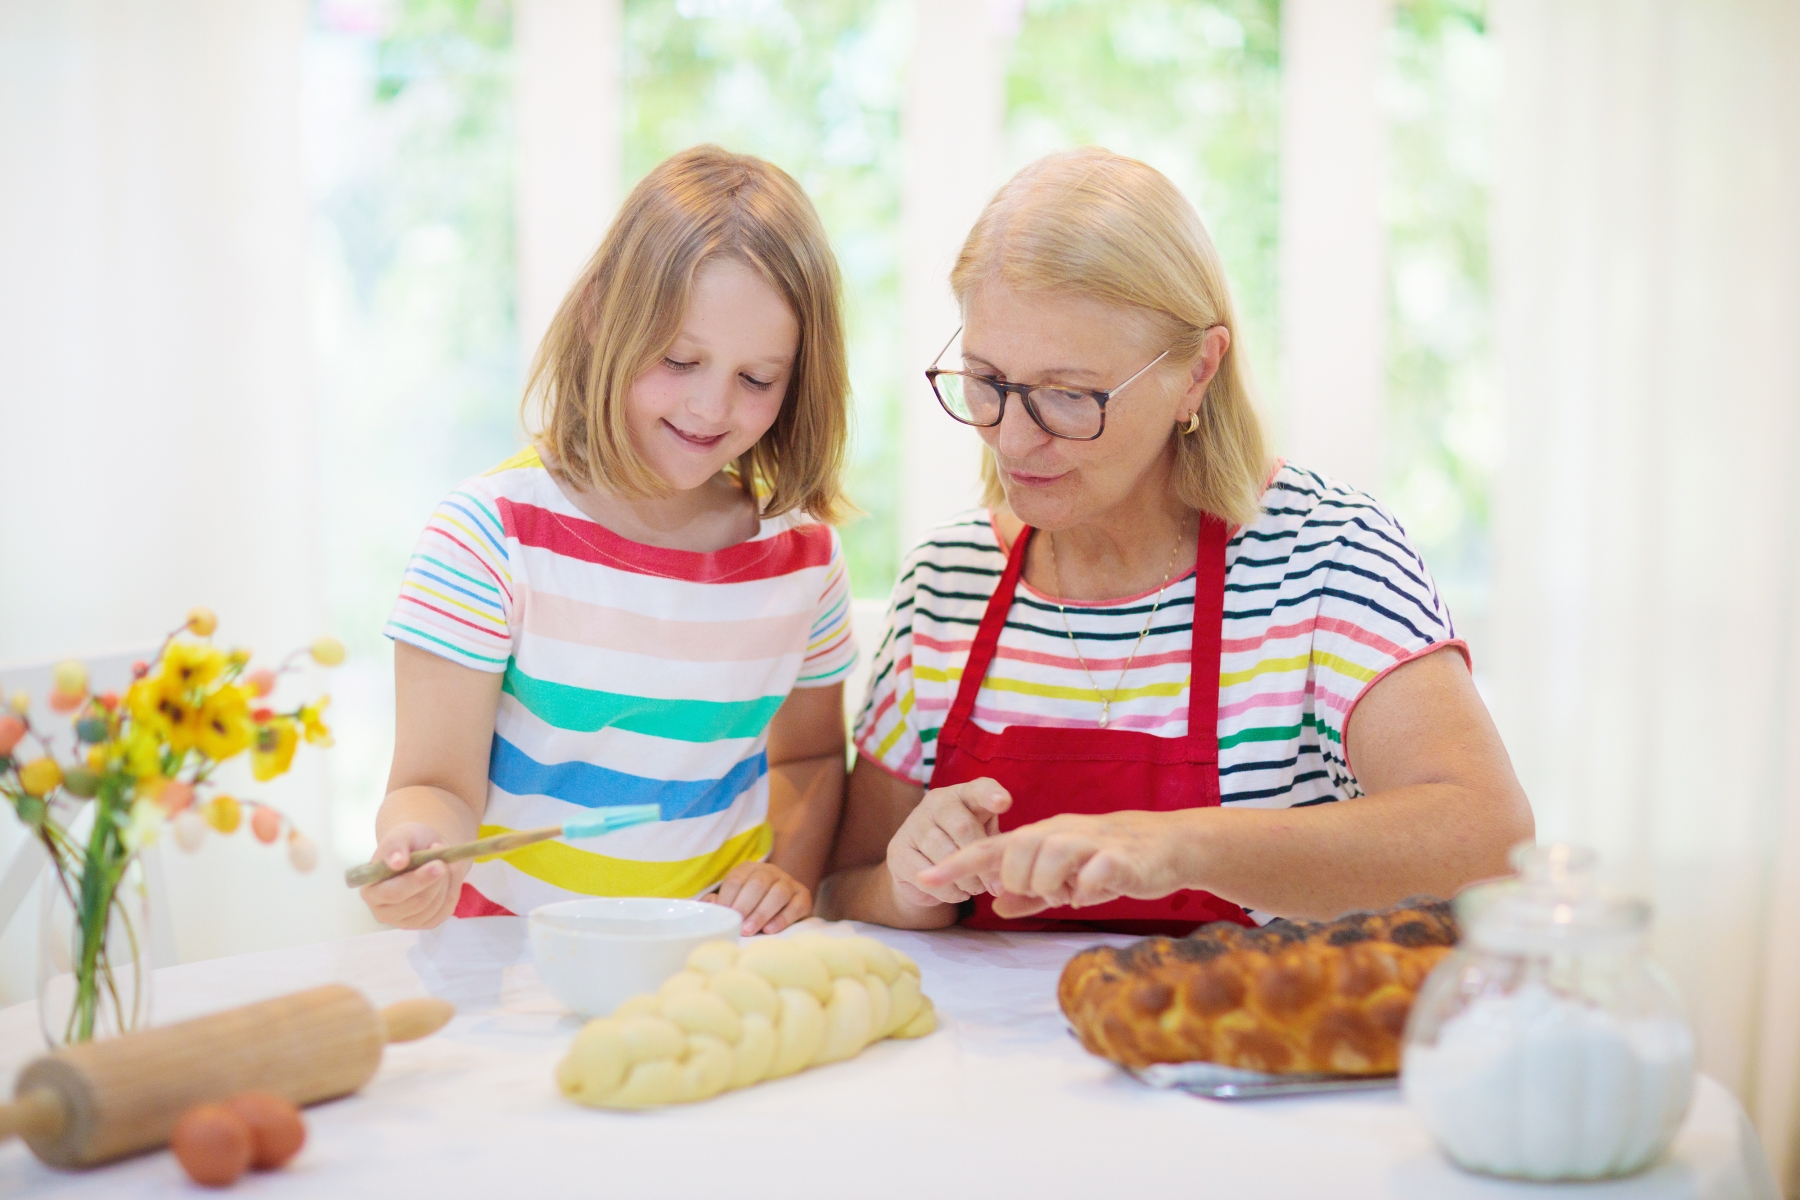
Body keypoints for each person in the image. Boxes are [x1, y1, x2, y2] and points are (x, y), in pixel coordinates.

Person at [820, 147, 1533, 934]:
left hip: (1256, 1051)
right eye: (986, 382)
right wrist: (907, 888)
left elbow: (1489, 842)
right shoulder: (946, 583)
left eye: (1067, 396)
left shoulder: (1328, 557)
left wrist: (1179, 845)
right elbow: (843, 886)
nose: (1013, 441)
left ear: (1197, 370)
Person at [361, 146, 857, 936]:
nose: (710, 406)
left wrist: (787, 872)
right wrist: (418, 844)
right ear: (601, 317)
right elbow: (436, 787)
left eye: (757, 379)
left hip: (709, 962)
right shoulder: (489, 536)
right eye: (679, 359)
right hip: (512, 963)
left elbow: (809, 761)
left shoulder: (803, 561)